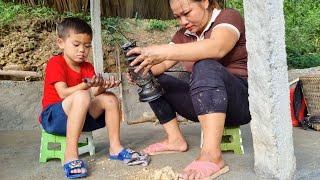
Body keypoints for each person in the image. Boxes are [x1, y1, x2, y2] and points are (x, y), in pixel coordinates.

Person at [127, 0, 251, 179]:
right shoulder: (183, 35)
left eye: (187, 13)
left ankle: (211, 155)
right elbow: (160, 65)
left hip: (238, 103)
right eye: (178, 17)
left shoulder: (227, 17)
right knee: (152, 80)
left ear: (205, 2)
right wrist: (140, 71)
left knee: (205, 63)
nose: (183, 21)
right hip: (204, 104)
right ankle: (175, 140)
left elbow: (217, 47)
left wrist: (161, 50)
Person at [40, 17, 137, 179]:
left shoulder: (87, 67)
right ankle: (70, 155)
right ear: (61, 43)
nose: (82, 50)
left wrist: (103, 87)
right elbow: (63, 93)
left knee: (110, 98)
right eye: (76, 45)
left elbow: (93, 94)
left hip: (80, 115)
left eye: (87, 46)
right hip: (53, 118)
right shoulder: (55, 63)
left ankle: (116, 148)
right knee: (81, 95)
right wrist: (86, 86)